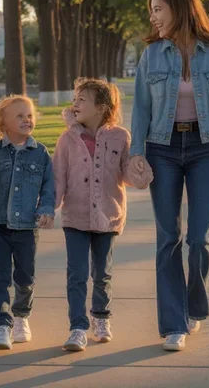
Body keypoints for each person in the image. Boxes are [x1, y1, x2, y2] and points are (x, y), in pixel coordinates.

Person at [128, 0, 209, 352]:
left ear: (179, 9)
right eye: (152, 10)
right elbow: (142, 109)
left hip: (205, 149)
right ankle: (174, 324)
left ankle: (194, 305)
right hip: (161, 148)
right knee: (168, 238)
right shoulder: (151, 55)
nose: (153, 17)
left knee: (199, 238)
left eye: (158, 9)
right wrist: (135, 153)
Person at [54, 78, 153, 352]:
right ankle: (77, 327)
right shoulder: (67, 138)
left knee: (102, 273)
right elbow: (58, 177)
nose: (75, 104)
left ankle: (101, 318)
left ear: (101, 107)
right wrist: (48, 207)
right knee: (76, 273)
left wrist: (139, 170)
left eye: (82, 100)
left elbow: (127, 175)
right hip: (75, 215)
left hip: (108, 215)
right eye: (74, 99)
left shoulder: (121, 137)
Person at [0, 95, 56, 351]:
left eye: (29, 115)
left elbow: (48, 186)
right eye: (19, 116)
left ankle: (21, 317)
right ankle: (1, 325)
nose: (26, 119)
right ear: (3, 123)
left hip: (26, 229)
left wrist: (46, 209)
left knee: (25, 277)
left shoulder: (40, 153)